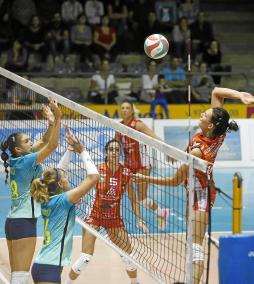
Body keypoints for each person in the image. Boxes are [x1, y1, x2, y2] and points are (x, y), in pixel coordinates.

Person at [133, 87, 254, 283]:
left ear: (210, 125)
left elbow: (173, 182)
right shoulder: (217, 133)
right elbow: (215, 92)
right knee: (191, 242)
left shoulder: (198, 153)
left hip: (202, 196)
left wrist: (146, 179)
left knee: (196, 245)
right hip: (196, 191)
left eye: (204, 115)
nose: (201, 114)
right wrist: (240, 95)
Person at [67, 139, 147, 284]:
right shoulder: (97, 169)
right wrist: (72, 200)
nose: (114, 153)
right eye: (111, 150)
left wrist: (139, 219)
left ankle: (134, 282)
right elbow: (82, 189)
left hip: (114, 219)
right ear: (106, 152)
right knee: (85, 258)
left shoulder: (126, 173)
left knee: (129, 257)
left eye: (117, 150)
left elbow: (133, 200)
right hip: (94, 216)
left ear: (120, 153)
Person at [0, 98, 61, 284]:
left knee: (17, 277)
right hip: (23, 223)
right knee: (20, 277)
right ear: (18, 148)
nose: (31, 142)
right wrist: (58, 119)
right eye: (27, 141)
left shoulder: (17, 160)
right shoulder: (26, 161)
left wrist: (50, 123)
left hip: (13, 222)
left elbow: (43, 140)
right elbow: (51, 146)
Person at [30, 127, 100, 284]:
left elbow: (58, 172)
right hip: (49, 269)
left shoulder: (50, 198)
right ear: (61, 183)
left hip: (46, 265)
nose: (67, 175)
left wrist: (69, 148)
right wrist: (81, 150)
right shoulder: (63, 200)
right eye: (66, 177)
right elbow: (94, 177)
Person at [116, 101, 170, 230]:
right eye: (122, 108)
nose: (124, 110)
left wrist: (168, 151)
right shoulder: (118, 127)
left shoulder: (138, 125)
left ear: (132, 111)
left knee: (142, 199)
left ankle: (161, 212)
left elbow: (154, 137)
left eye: (127, 108)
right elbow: (116, 147)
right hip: (128, 166)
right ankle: (140, 221)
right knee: (131, 197)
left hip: (142, 166)